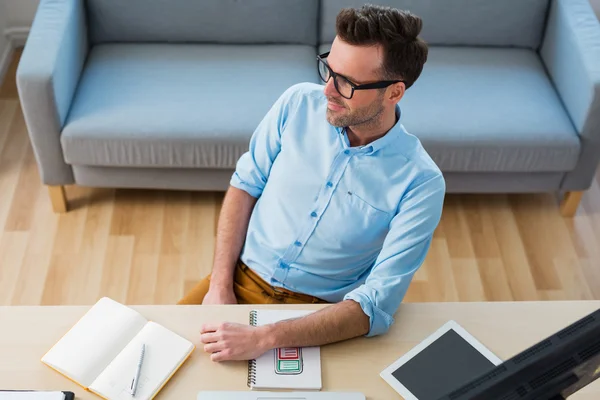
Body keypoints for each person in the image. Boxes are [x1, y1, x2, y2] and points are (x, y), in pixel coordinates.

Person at [178, 4, 445, 362]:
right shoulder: (296, 104)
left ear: (394, 92)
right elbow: (245, 185)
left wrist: (265, 337)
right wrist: (219, 285)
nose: (327, 91)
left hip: (319, 314)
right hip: (237, 278)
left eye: (347, 82)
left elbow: (375, 306)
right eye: (329, 70)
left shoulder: (420, 183)